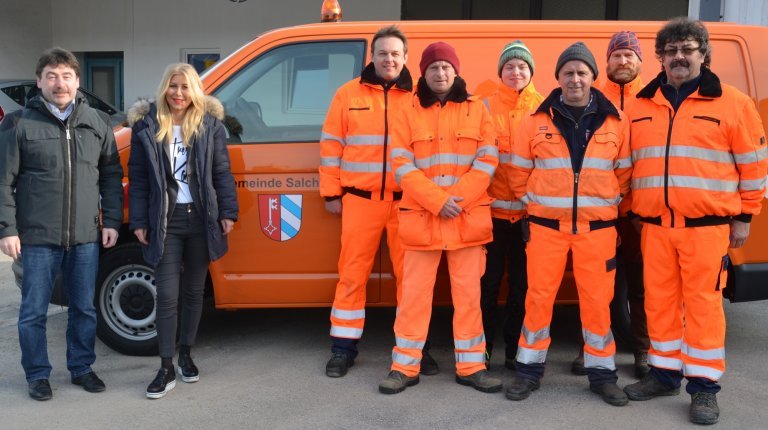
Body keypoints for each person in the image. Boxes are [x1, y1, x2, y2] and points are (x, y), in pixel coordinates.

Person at [622, 18, 767, 425]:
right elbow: (627, 166)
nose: (679, 57)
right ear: (660, 57)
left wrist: (745, 216)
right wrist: (635, 209)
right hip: (654, 227)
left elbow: (754, 166)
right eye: (671, 50)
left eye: (688, 49)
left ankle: (703, 389)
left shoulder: (732, 103)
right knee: (659, 305)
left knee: (703, 309)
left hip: (707, 228)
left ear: (704, 54)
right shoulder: (640, 105)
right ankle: (664, 375)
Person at [504, 42, 632, 406]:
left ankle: (603, 375)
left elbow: (624, 174)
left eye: (581, 72)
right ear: (557, 78)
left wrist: (602, 205)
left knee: (597, 303)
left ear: (593, 77)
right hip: (545, 229)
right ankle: (528, 372)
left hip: (598, 232)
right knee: (538, 300)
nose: (575, 79)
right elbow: (517, 172)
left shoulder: (615, 121)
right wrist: (535, 204)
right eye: (567, 73)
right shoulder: (534, 121)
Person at [0, 47, 123, 401]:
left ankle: (81, 367)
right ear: (39, 81)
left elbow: (111, 176)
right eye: (52, 76)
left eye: (67, 76)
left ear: (78, 82)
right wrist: (7, 228)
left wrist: (111, 220)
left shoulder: (97, 122)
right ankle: (38, 374)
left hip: (85, 235)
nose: (60, 83)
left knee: (84, 308)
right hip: (36, 238)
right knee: (33, 311)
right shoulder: (18, 123)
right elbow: (2, 181)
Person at [379, 41, 501, 395]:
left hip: (465, 219)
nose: (441, 72)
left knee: (468, 297)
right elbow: (402, 166)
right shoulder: (408, 112)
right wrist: (437, 200)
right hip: (423, 217)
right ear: (424, 72)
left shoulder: (478, 110)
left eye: (446, 66)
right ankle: (404, 367)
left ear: (456, 70)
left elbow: (487, 161)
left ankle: (472, 366)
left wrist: (455, 200)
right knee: (414, 297)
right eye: (434, 67)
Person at [319, 25, 438, 378]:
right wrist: (331, 192)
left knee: (411, 280)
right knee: (352, 275)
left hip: (409, 202)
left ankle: (417, 349)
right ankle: (343, 348)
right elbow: (331, 145)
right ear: (373, 56)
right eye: (383, 53)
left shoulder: (420, 96)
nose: (389, 59)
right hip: (360, 200)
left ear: (406, 58)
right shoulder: (347, 94)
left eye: (396, 54)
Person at [128, 63, 239, 399]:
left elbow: (222, 173)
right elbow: (139, 179)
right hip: (166, 220)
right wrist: (139, 221)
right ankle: (165, 366)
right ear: (165, 88)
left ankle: (187, 356)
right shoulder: (146, 126)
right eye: (173, 86)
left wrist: (228, 212)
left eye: (185, 87)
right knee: (167, 295)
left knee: (194, 293)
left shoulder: (210, 126)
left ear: (195, 91)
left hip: (201, 219)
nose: (178, 93)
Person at [571, 30, 650, 379]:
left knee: (641, 285)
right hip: (599, 208)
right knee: (594, 284)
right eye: (616, 55)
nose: (622, 61)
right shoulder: (593, 98)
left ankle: (643, 351)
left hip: (638, 210)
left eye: (629, 55)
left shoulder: (651, 100)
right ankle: (589, 347)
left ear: (639, 61)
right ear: (607, 62)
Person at [479, 40, 543, 370]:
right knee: (487, 286)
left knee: (522, 287)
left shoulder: (546, 107)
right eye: (509, 66)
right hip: (491, 215)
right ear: (500, 72)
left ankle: (513, 350)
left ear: (530, 72)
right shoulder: (485, 107)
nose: (515, 72)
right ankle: (483, 348)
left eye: (522, 66)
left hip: (528, 218)